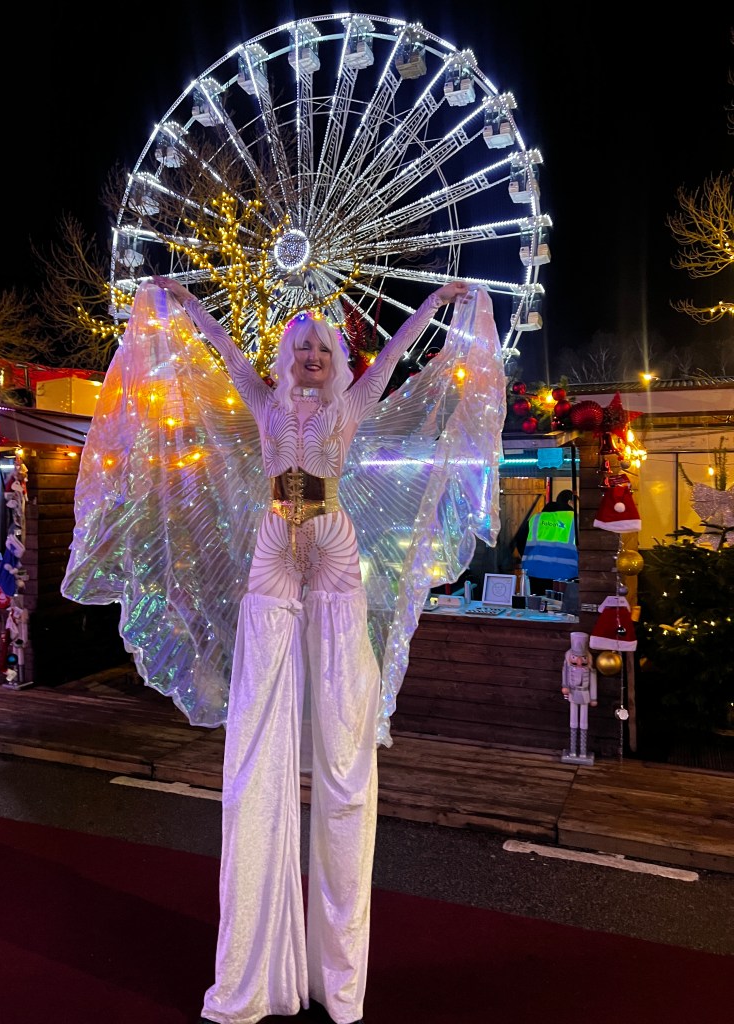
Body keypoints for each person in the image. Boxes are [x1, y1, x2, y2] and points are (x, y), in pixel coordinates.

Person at [62, 276, 506, 1024]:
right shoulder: (264, 404)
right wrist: (183, 304)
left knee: (339, 708)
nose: (308, 357)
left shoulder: (351, 406)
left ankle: (337, 975)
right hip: (275, 541)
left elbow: (395, 357)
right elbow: (226, 353)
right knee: (260, 715)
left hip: (330, 541)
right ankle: (257, 965)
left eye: (319, 348)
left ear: (333, 358)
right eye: (299, 347)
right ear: (286, 356)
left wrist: (433, 307)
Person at [561, 630, 597, 763]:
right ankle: (572, 749)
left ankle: (582, 750)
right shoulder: (568, 667)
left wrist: (593, 698)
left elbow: (593, 684)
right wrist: (565, 686)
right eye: (575, 658)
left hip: (585, 694)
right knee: (573, 720)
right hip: (573, 693)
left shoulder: (590, 671)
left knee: (583, 721)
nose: (580, 661)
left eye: (583, 658)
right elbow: (565, 675)